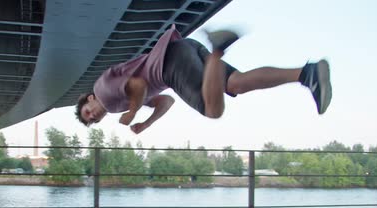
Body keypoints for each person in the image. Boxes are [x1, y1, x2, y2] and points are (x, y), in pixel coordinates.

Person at [75, 24, 332, 134]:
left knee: (212, 110)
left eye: (88, 112)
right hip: (185, 48)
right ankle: (306, 74)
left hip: (171, 64)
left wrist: (131, 114)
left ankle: (218, 49)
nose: (94, 116)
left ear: (88, 99)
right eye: (93, 120)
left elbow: (139, 86)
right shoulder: (120, 99)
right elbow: (165, 102)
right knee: (235, 84)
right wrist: (146, 123)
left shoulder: (106, 95)